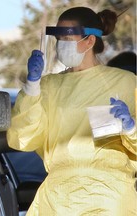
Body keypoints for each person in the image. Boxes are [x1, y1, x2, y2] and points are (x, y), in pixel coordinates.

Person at [7, 7, 136, 215]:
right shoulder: (48, 86)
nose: (61, 45)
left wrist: (131, 128)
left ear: (89, 41)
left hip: (109, 197)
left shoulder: (126, 83)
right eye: (59, 39)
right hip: (59, 199)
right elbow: (22, 137)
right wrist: (32, 85)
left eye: (67, 38)